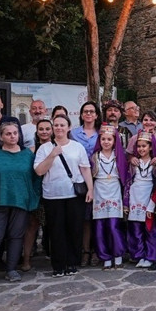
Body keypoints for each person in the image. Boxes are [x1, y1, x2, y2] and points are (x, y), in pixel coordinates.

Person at [0, 122, 41, 289]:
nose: (12, 136)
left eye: (15, 133)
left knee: (16, 236)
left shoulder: (27, 155)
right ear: (1, 136)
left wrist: (33, 200)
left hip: (21, 202)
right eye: (8, 133)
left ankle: (11, 269)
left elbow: (36, 180)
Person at [34, 114, 93, 278]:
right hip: (52, 196)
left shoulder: (77, 147)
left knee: (74, 229)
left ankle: (72, 262)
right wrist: (52, 154)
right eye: (56, 125)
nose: (59, 128)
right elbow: (39, 171)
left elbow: (85, 169)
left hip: (74, 195)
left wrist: (90, 189)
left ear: (68, 128)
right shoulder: (45, 148)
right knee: (56, 231)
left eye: (62, 125)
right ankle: (58, 265)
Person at [90, 125, 129, 269]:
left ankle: (118, 254)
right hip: (99, 190)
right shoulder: (94, 157)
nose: (106, 142)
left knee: (114, 225)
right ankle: (105, 256)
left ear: (114, 141)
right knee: (100, 226)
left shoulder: (119, 156)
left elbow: (125, 175)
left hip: (114, 189)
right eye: (103, 139)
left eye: (109, 139)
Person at [70, 101, 100, 266]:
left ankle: (97, 250)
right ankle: (85, 250)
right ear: (81, 115)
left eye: (92, 111)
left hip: (101, 179)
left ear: (96, 115)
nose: (89, 114)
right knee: (85, 218)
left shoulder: (102, 133)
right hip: (80, 179)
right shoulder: (73, 134)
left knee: (99, 216)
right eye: (85, 111)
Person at [21, 119, 53, 271]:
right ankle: (26, 259)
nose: (44, 131)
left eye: (47, 128)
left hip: (53, 191)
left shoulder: (57, 148)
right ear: (37, 131)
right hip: (36, 192)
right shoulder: (31, 151)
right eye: (41, 129)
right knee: (32, 225)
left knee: (54, 225)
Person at [125, 131, 156, 269]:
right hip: (135, 197)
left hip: (148, 197)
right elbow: (128, 181)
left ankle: (150, 255)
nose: (141, 149)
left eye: (144, 146)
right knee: (136, 229)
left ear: (150, 147)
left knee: (150, 229)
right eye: (138, 146)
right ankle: (138, 255)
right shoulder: (133, 163)